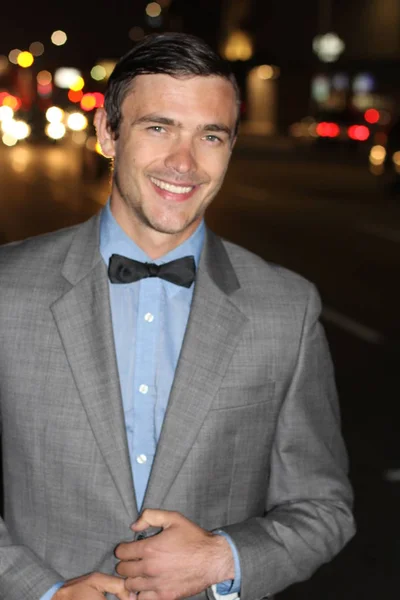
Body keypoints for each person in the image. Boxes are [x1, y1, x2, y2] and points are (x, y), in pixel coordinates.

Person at [0, 32, 355, 600]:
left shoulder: (286, 308)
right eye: (158, 127)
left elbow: (323, 507)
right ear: (108, 134)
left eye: (210, 135)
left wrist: (225, 557)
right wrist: (41, 591)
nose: (184, 163)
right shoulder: (6, 290)